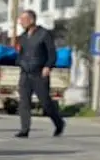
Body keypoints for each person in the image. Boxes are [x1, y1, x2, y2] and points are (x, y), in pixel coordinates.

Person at [14, 9, 65, 138]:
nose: (21, 22)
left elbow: (52, 54)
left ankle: (59, 123)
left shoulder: (44, 34)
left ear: (31, 20)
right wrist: (20, 63)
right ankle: (24, 129)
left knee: (46, 103)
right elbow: (19, 54)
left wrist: (48, 66)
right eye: (20, 20)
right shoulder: (23, 37)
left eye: (23, 20)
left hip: (39, 74)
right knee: (24, 102)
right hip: (25, 74)